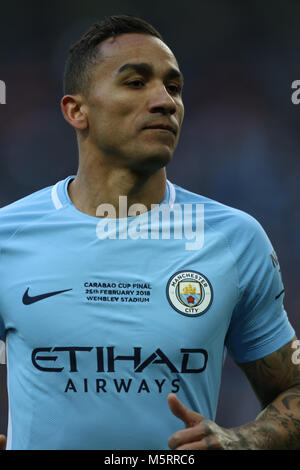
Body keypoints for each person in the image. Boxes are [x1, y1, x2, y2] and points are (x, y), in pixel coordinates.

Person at [0, 14, 299, 451]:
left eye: (173, 87)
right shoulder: (8, 236)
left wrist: (243, 439)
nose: (165, 101)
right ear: (76, 110)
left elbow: (292, 389)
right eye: (136, 82)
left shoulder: (235, 239)